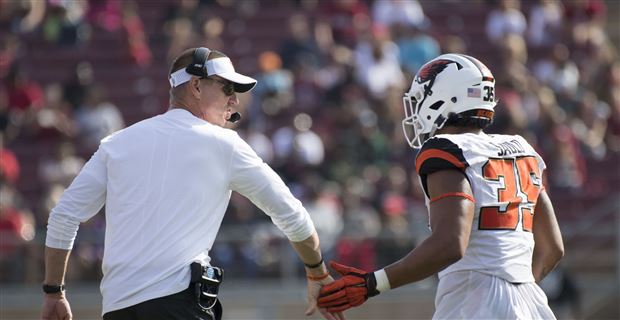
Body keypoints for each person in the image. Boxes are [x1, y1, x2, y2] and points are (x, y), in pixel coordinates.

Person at [41, 47, 344, 320]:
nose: (234, 100)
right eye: (227, 88)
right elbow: (292, 215)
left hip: (117, 310)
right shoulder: (224, 144)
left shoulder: (116, 143)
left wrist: (54, 292)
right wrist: (317, 273)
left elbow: (64, 216)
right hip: (179, 306)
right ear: (196, 85)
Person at [317, 53, 564, 319]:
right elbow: (553, 248)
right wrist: (517, 290)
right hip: (532, 304)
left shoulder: (446, 148)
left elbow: (451, 243)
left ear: (447, 96)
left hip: (474, 302)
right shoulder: (521, 148)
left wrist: (373, 283)